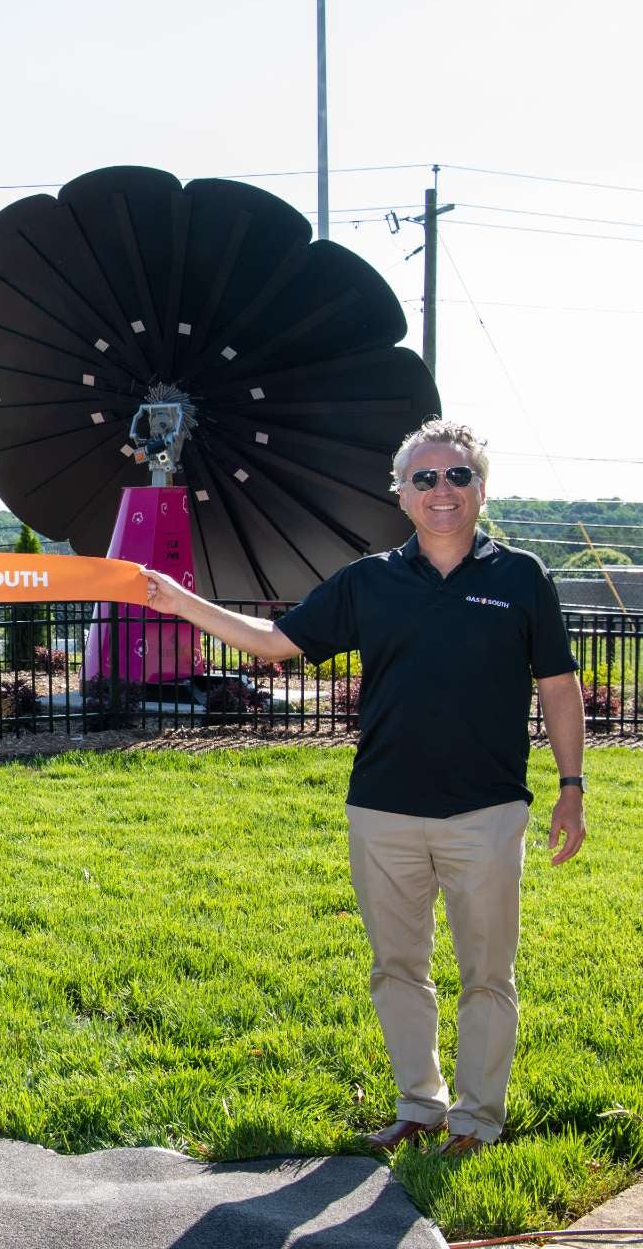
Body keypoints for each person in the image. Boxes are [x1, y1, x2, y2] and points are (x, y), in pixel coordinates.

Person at [141, 419, 585, 1158]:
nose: (442, 490)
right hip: (382, 811)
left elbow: (560, 688)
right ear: (402, 493)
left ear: (480, 487)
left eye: (457, 476)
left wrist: (572, 786)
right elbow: (275, 643)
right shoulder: (367, 580)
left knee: (487, 975)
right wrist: (182, 602)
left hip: (487, 812)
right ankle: (421, 1105)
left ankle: (478, 1119)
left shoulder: (521, 576)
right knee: (397, 969)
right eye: (425, 478)